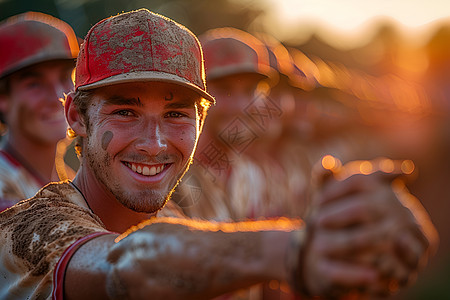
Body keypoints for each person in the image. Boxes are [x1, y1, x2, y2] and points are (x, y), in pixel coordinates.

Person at [0, 9, 437, 299]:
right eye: (125, 110)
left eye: (176, 113)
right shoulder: (29, 227)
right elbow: (125, 265)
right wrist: (292, 251)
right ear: (76, 115)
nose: (154, 142)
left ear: (200, 121)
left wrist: (351, 207)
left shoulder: (174, 218)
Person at [0, 12, 79, 211]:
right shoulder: (3, 188)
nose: (58, 97)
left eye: (64, 77)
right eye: (35, 84)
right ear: (2, 98)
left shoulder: (68, 179)